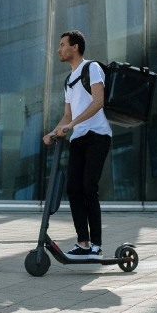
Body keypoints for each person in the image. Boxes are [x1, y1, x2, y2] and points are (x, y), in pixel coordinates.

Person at [43, 30, 112, 260]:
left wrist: (71, 124)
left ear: (75, 47)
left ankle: (97, 247)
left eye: (62, 45)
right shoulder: (68, 80)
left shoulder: (91, 68)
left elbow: (98, 101)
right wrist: (53, 132)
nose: (58, 49)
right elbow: (67, 115)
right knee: (73, 189)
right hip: (79, 139)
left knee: (88, 188)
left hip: (97, 136)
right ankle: (83, 243)